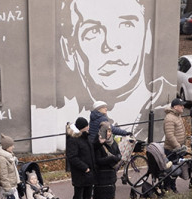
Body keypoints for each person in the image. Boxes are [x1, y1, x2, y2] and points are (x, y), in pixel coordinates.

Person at [59, 0, 158, 136]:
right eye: (93, 30)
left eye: (126, 25)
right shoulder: (66, 115)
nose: (111, 43)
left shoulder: (160, 108)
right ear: (68, 50)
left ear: (148, 36)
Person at [66, 117, 96, 199]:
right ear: (82, 127)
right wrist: (85, 168)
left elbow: (91, 151)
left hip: (88, 172)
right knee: (78, 197)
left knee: (87, 196)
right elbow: (72, 157)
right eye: (87, 126)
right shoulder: (73, 139)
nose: (88, 127)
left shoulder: (85, 137)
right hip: (80, 173)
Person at [93, 122, 121, 199]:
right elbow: (98, 160)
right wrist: (111, 159)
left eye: (110, 131)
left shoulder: (113, 142)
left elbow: (118, 152)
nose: (109, 133)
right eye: (107, 131)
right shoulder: (98, 143)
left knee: (109, 197)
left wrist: (119, 156)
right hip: (101, 174)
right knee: (98, 197)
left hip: (111, 174)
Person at [163, 97, 186, 192]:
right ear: (175, 107)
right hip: (171, 149)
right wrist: (177, 146)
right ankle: (167, 187)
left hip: (178, 149)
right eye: (181, 105)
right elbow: (169, 135)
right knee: (171, 170)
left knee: (176, 169)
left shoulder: (177, 116)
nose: (183, 107)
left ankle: (172, 186)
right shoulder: (170, 118)